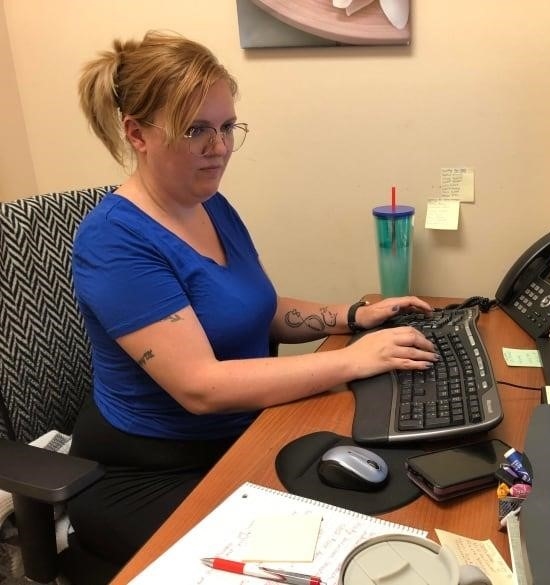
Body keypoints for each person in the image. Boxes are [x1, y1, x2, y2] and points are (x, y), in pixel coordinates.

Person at [69, 30, 437, 576]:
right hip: (150, 470)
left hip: (241, 435)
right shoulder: (114, 241)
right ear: (136, 133)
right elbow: (201, 385)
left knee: (400, 496)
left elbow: (253, 307)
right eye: (195, 130)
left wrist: (351, 316)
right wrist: (354, 358)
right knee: (325, 559)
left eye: (225, 126)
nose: (218, 148)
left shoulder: (209, 203)